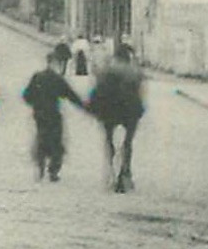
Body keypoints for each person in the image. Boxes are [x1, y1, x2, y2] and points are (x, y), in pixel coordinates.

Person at [87, 44, 146, 193]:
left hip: (110, 111)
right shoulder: (135, 72)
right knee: (127, 143)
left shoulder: (107, 71)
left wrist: (92, 107)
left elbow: (98, 91)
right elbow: (140, 94)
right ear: (128, 57)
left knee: (109, 141)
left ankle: (111, 172)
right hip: (130, 112)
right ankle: (125, 174)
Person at [22, 50, 86, 183]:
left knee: (41, 138)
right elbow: (70, 95)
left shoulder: (37, 77)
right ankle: (53, 171)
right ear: (55, 63)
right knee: (56, 142)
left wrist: (35, 104)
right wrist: (85, 106)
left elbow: (26, 95)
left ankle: (40, 168)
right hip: (53, 114)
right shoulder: (57, 79)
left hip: (39, 114)